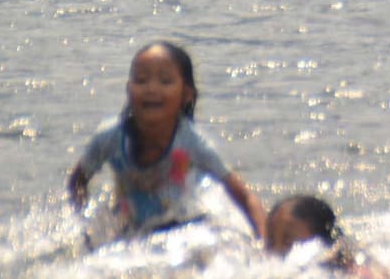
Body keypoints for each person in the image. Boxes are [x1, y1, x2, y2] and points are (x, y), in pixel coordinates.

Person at [67, 41, 266, 241]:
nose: (151, 89)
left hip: (186, 225)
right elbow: (78, 181)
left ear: (186, 95)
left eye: (165, 81)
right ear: (129, 89)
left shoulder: (193, 143)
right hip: (132, 227)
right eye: (141, 80)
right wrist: (84, 228)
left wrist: (265, 242)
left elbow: (246, 197)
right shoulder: (110, 138)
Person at [265, 195, 390, 275]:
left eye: (288, 241)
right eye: (271, 241)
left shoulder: (340, 260)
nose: (276, 249)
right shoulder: (270, 262)